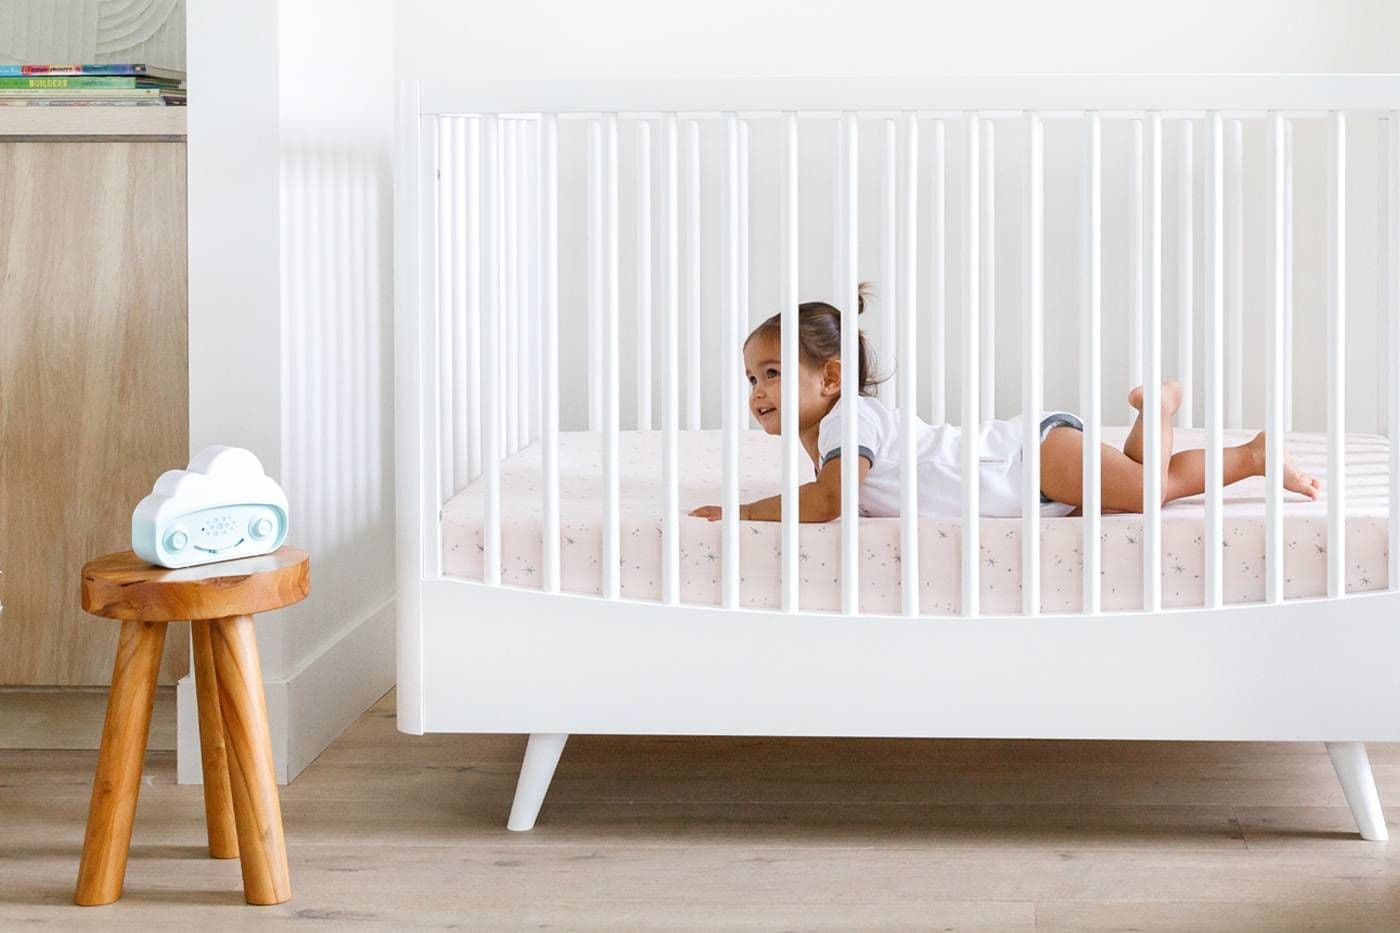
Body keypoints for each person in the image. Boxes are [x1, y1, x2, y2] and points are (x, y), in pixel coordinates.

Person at [689, 284, 1320, 523]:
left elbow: (830, 502)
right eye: (750, 379)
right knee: (1139, 483)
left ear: (831, 377)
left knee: (1149, 489)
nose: (757, 392)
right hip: (1031, 465)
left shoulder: (848, 421)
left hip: (1027, 463)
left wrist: (744, 515)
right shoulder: (838, 433)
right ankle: (1200, 433)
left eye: (772, 373)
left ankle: (1209, 433)